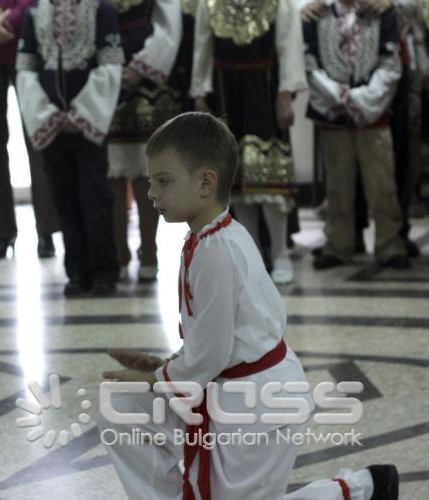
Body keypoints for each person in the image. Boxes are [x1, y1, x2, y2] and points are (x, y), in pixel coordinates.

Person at [98, 112, 399, 500]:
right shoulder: (208, 239)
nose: (152, 192)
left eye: (163, 181)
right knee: (122, 408)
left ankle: (357, 490)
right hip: (233, 394)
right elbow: (215, 341)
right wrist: (165, 366)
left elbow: (212, 353)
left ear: (206, 182)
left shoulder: (217, 251)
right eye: (151, 180)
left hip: (258, 405)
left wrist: (159, 378)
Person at [192, 0, 307, 284]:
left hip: (263, 89)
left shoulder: (278, 3)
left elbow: (289, 46)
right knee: (237, 177)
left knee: (268, 169)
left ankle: (280, 251)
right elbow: (202, 49)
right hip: (225, 90)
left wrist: (286, 94)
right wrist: (200, 94)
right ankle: (252, 253)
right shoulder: (210, 4)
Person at [16, 0, 123, 296]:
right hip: (50, 125)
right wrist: (46, 115)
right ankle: (77, 272)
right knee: (64, 199)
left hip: (89, 123)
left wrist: (82, 114)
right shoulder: (36, 13)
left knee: (95, 196)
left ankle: (104, 271)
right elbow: (25, 68)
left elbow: (110, 64)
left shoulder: (102, 10)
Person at [303, 0, 410, 269]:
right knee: (338, 184)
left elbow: (390, 63)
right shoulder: (317, 15)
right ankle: (338, 245)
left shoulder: (383, 13)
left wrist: (362, 100)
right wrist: (340, 97)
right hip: (333, 115)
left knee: (382, 183)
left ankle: (389, 245)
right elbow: (310, 65)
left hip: (374, 114)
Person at [0, 0, 60, 261]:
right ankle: (2, 233)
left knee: (38, 140)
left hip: (27, 44)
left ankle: (46, 232)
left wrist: (10, 20)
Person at [107, 0, 181, 282]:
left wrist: (141, 67)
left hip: (150, 82)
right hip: (106, 73)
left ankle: (149, 249)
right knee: (112, 172)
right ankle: (119, 251)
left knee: (146, 171)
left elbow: (169, 26)